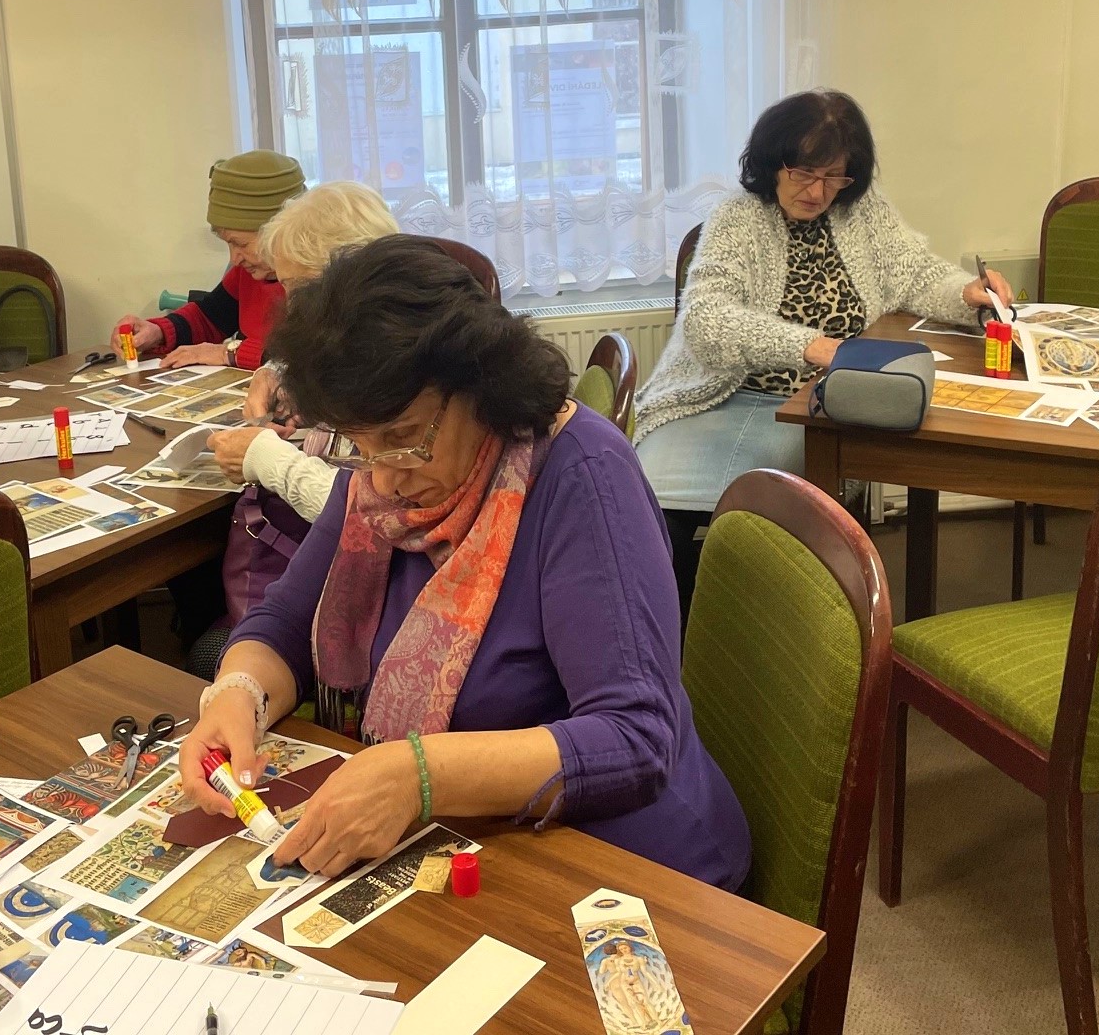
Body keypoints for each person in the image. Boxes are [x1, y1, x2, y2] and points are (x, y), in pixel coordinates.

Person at [178, 235, 750, 888]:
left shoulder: (581, 476)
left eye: (403, 439)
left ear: (480, 386)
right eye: (360, 446)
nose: (382, 480)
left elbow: (636, 740)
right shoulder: (380, 484)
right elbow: (283, 622)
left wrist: (420, 776)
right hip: (478, 842)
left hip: (625, 864)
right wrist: (239, 696)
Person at [633, 89, 1013, 620]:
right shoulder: (737, 220)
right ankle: (671, 651)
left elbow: (917, 274)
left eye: (834, 177)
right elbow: (705, 320)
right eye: (804, 174)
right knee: (649, 529)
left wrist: (965, 294)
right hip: (714, 400)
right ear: (773, 164)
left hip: (814, 407)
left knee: (771, 533)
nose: (817, 191)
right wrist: (810, 345)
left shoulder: (865, 215)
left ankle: (754, 638)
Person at [182, 182, 400, 680]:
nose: (291, 309)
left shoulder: (394, 371)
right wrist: (279, 372)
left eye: (298, 290)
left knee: (212, 651)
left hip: (370, 605)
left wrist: (265, 458)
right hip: (334, 577)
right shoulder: (363, 338)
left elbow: (380, 513)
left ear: (347, 274)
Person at [117, 151, 305, 369]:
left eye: (241, 244)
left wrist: (229, 353)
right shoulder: (249, 274)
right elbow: (209, 318)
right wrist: (158, 332)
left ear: (283, 233)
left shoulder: (323, 281)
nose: (234, 259)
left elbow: (309, 357)